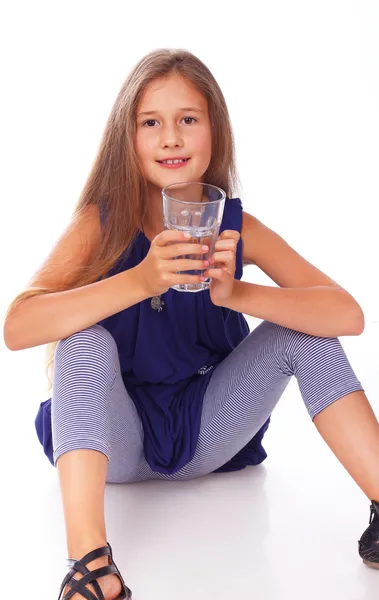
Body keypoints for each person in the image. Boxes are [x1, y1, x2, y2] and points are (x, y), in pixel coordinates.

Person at [3, 48, 379, 600]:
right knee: (82, 340)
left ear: (214, 133)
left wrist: (241, 294)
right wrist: (140, 281)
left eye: (188, 120)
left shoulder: (235, 226)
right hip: (117, 444)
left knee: (301, 327)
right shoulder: (101, 223)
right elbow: (16, 327)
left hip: (211, 431)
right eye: (150, 123)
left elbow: (347, 315)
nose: (171, 138)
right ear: (125, 139)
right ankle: (90, 567)